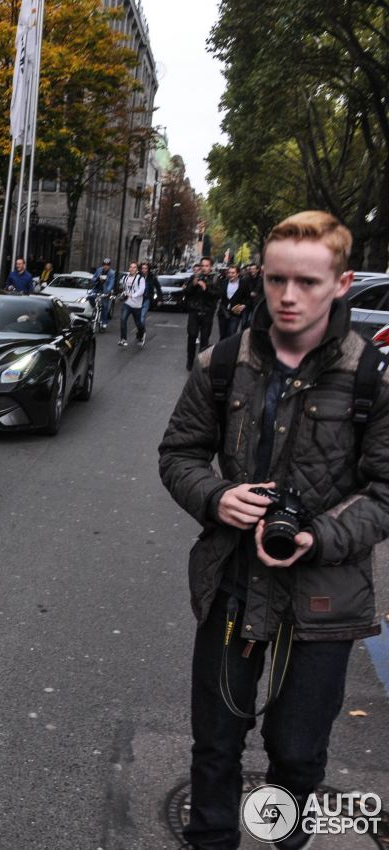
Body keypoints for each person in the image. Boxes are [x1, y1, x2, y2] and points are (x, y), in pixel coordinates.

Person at [158, 211, 389, 850]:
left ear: (342, 284)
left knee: (297, 752)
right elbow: (178, 453)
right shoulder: (223, 362)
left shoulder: (372, 376)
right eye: (276, 279)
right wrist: (216, 497)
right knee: (215, 743)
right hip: (231, 585)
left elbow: (386, 491)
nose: (289, 297)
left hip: (323, 603)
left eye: (308, 283)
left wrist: (323, 536)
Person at [182, 257, 220, 370]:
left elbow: (217, 294)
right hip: (194, 311)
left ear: (211, 267)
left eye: (206, 266)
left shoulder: (215, 279)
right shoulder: (194, 277)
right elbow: (186, 292)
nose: (204, 268)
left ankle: (201, 362)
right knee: (192, 336)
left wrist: (206, 288)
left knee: (204, 338)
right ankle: (190, 360)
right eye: (202, 265)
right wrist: (193, 285)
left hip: (207, 312)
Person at [117, 261, 149, 347]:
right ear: (129, 268)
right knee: (123, 320)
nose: (132, 269)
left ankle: (142, 333)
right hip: (127, 304)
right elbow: (122, 287)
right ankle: (123, 339)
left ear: (137, 269)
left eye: (134, 267)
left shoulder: (140, 279)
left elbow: (142, 290)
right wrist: (123, 294)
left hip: (137, 305)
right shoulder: (125, 278)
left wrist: (133, 295)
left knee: (138, 323)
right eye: (131, 267)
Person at [217, 264, 252, 340]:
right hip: (223, 313)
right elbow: (218, 294)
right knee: (222, 335)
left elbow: (248, 298)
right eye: (229, 273)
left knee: (231, 334)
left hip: (235, 314)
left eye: (233, 273)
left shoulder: (243, 284)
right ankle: (221, 350)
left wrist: (243, 305)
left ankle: (229, 350)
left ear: (238, 274)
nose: (230, 275)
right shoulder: (223, 282)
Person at [89, 258, 117, 329]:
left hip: (105, 291)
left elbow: (111, 283)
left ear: (109, 266)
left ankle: (104, 322)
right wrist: (96, 279)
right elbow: (93, 278)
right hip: (97, 289)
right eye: (104, 264)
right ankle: (95, 308)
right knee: (90, 297)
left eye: (107, 265)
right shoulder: (99, 270)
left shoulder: (112, 273)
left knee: (105, 306)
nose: (106, 266)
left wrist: (107, 292)